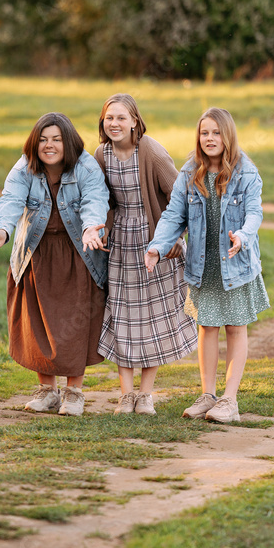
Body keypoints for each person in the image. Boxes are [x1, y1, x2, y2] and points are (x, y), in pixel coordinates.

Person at [0, 112, 109, 417]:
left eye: (56, 139)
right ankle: (47, 390)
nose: (49, 145)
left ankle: (74, 392)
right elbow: (10, 199)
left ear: (68, 142)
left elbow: (95, 199)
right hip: (36, 253)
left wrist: (91, 227)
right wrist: (4, 230)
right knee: (36, 322)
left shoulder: (86, 166)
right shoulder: (24, 167)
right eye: (43, 140)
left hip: (77, 251)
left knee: (76, 323)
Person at [145, 107, 270, 423]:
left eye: (216, 132)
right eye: (204, 133)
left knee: (235, 327)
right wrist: (158, 247)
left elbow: (255, 213)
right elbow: (174, 215)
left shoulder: (245, 172)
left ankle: (230, 400)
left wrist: (242, 235)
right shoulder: (190, 172)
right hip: (203, 266)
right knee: (207, 327)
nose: (210, 138)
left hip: (235, 263)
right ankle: (208, 394)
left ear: (227, 135)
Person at [94, 94, 198, 415]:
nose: (115, 124)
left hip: (155, 241)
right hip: (122, 244)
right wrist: (103, 228)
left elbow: (178, 192)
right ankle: (126, 396)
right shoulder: (101, 154)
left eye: (121, 118)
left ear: (135, 121)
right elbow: (103, 200)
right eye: (109, 118)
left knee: (154, 317)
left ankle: (146, 395)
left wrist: (172, 238)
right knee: (124, 316)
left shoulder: (149, 150)